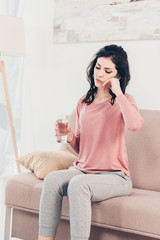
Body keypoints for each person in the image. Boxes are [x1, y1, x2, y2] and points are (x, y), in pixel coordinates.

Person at [38, 44, 144, 240]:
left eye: (107, 70)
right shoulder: (83, 102)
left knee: (78, 185)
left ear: (118, 75)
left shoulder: (125, 100)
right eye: (98, 67)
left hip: (115, 176)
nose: (100, 74)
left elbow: (134, 125)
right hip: (83, 170)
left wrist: (119, 93)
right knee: (52, 179)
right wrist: (70, 136)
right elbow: (82, 148)